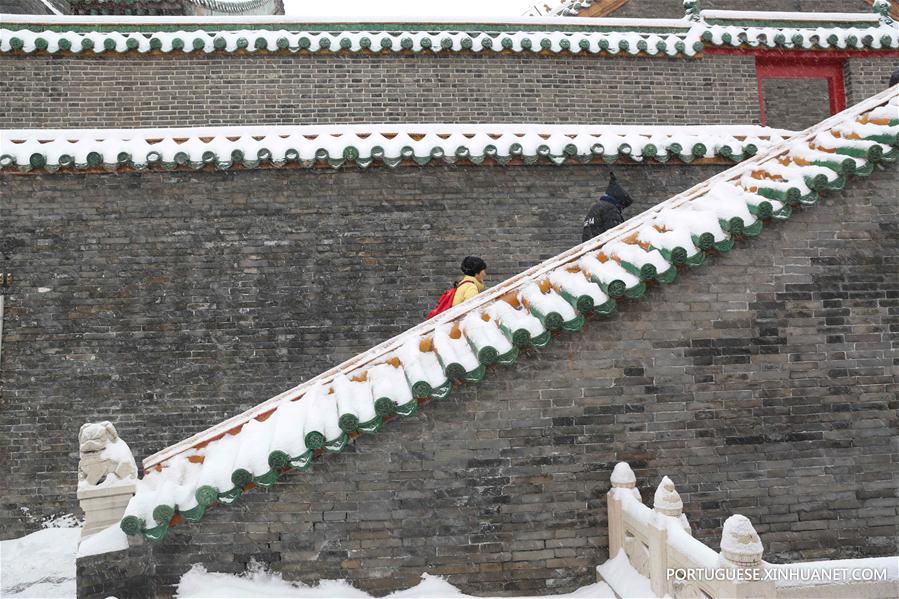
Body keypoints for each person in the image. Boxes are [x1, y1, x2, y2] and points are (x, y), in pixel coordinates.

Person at [582, 171, 634, 243]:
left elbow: (587, 236)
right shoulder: (610, 209)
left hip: (589, 250)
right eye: (622, 207)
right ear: (619, 202)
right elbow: (615, 236)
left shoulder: (595, 208)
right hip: (603, 250)